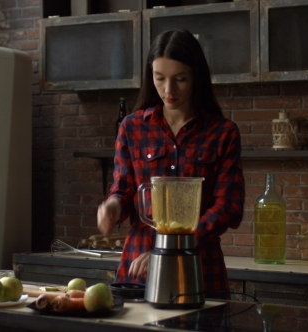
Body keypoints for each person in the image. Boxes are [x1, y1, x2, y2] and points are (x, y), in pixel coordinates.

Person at [97, 29, 245, 299]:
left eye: (180, 79)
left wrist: (171, 249)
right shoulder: (132, 127)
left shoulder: (223, 133)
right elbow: (124, 190)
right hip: (138, 268)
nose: (168, 90)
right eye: (159, 78)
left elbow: (228, 208)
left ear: (196, 77)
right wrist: (114, 205)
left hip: (199, 265)